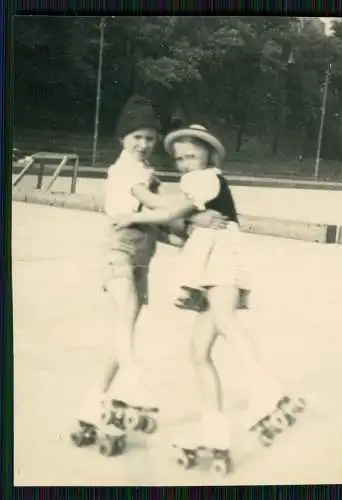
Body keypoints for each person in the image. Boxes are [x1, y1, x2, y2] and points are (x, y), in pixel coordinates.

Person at [114, 124, 306, 460]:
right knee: (198, 352)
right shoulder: (200, 182)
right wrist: (189, 222)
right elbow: (181, 221)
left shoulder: (202, 178)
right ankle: (213, 428)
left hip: (221, 256)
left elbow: (171, 210)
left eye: (191, 155)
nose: (184, 163)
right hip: (207, 261)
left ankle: (266, 389)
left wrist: (130, 216)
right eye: (179, 159)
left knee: (224, 317)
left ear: (208, 155)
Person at [70, 100, 228, 452]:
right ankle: (132, 381)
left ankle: (91, 404)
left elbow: (157, 227)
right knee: (125, 310)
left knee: (121, 334)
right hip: (118, 253)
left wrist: (189, 237)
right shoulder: (124, 171)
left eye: (150, 138)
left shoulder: (145, 172)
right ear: (122, 138)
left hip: (141, 261)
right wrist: (190, 219)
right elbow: (151, 209)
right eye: (137, 137)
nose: (143, 144)